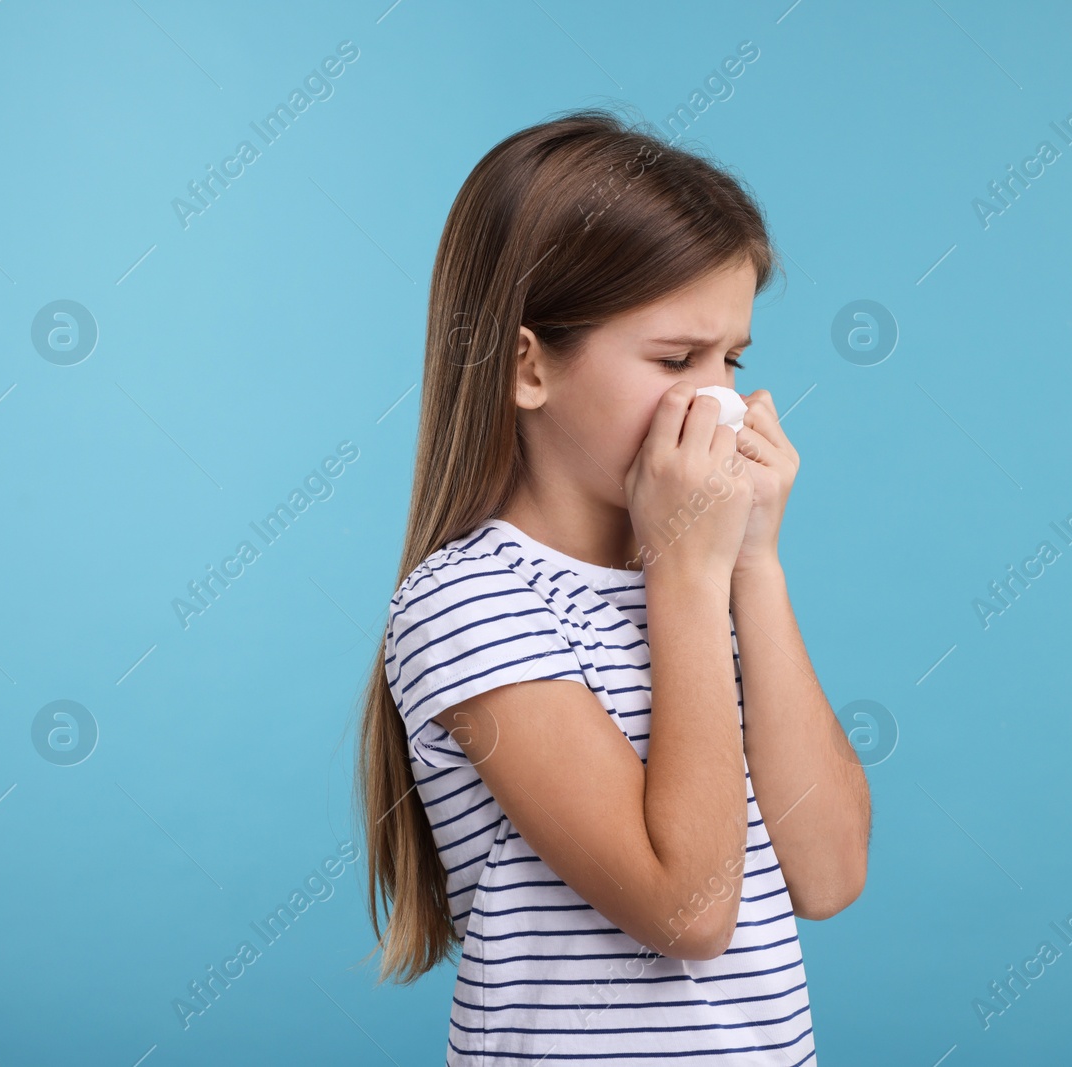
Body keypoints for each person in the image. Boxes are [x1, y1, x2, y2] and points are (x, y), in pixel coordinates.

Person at [354, 106, 871, 1065]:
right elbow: (688, 912)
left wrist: (753, 564)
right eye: (676, 359)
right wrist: (686, 575)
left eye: (734, 360)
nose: (718, 402)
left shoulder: (709, 573)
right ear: (528, 367)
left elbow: (831, 872)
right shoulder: (469, 605)